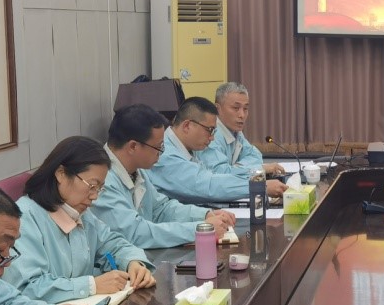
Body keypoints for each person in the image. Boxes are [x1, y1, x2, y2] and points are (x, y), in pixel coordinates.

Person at [3, 137, 156, 303]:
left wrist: (132, 262)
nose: (95, 196)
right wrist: (92, 285)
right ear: (61, 173)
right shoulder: (24, 219)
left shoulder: (77, 211)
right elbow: (28, 288)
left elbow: (112, 243)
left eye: (100, 188)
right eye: (92, 186)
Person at [92, 104, 236, 249]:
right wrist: (201, 229)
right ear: (133, 146)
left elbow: (161, 209)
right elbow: (136, 234)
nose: (161, 153)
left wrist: (204, 215)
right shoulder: (102, 181)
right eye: (158, 147)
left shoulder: (136, 170)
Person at [149, 97, 288, 205]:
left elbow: (215, 176)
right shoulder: (164, 155)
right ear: (187, 126)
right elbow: (207, 185)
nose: (212, 137)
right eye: (209, 130)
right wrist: (259, 187)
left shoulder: (190, 147)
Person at [199, 82, 286, 178]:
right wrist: (259, 169)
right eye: (236, 108)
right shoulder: (211, 135)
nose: (242, 115)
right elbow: (220, 175)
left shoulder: (235, 131)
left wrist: (236, 168)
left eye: (245, 108)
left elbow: (255, 156)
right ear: (217, 109)